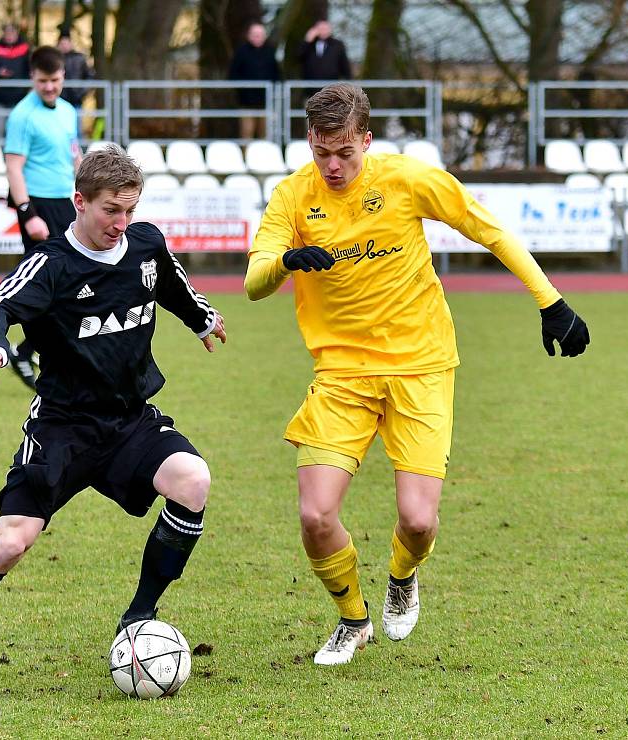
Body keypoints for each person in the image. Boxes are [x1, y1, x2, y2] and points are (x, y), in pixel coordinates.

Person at [244, 83, 589, 666]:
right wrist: (286, 261)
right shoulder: (292, 198)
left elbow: (488, 229)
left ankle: (403, 575)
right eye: (322, 151)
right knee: (315, 515)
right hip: (341, 372)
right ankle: (353, 620)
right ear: (309, 140)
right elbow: (254, 282)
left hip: (421, 365)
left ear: (367, 142)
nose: (333, 165)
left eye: (345, 152)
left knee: (418, 520)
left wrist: (550, 301)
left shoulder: (406, 179)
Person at [0, 145, 227, 692]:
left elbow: (168, 282)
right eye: (110, 212)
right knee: (11, 542)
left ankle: (137, 616)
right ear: (80, 202)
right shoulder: (51, 265)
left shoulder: (144, 244)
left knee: (193, 481)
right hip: (63, 429)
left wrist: (201, 318)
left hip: (129, 422)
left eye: (130, 210)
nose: (121, 224)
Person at [4, 45, 81, 390]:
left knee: (72, 278)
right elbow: (14, 168)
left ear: (63, 76)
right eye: (42, 81)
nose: (49, 87)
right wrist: (27, 213)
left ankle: (28, 349)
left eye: (54, 80)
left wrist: (87, 191)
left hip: (64, 201)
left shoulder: (67, 111)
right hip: (36, 203)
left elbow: (75, 155)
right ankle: (19, 344)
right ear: (32, 78)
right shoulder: (22, 115)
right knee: (49, 280)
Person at [228, 21, 280, 140]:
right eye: (255, 34)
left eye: (260, 34)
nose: (258, 37)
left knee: (265, 135)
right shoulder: (241, 52)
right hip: (246, 103)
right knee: (246, 134)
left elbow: (276, 74)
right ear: (249, 35)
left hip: (266, 102)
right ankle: (246, 157)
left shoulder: (270, 52)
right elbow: (233, 74)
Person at [57, 29, 95, 112]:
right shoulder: (54, 59)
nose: (64, 46)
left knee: (76, 123)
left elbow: (90, 76)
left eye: (66, 43)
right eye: (62, 43)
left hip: (76, 100)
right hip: (58, 100)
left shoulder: (80, 58)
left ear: (71, 43)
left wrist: (81, 93)